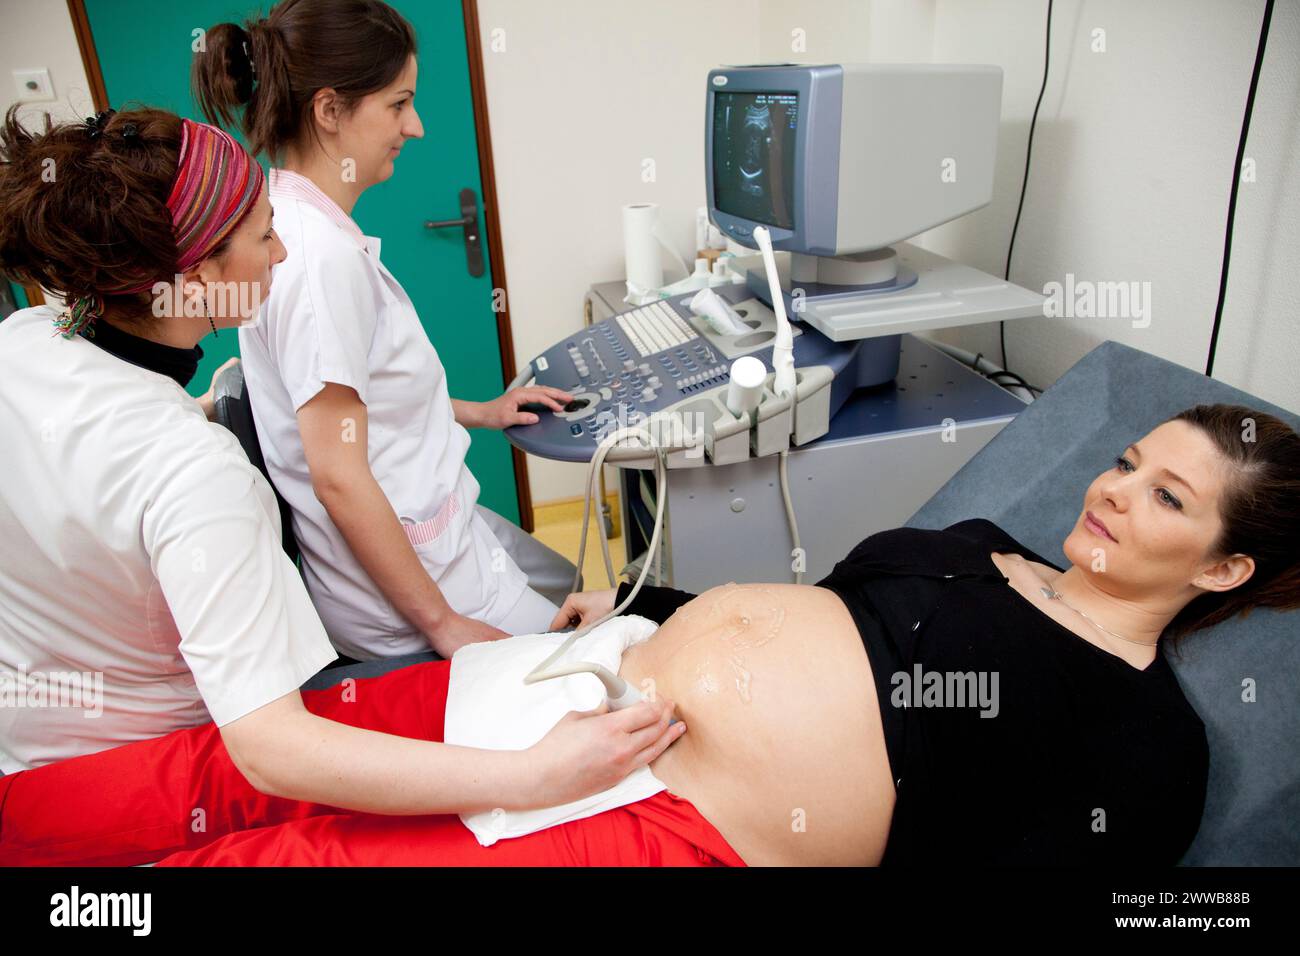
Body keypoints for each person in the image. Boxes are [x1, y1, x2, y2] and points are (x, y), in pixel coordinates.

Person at [5, 407, 1296, 866]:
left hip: (674, 819)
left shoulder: (1147, 743)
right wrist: (643, 611)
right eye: (1126, 462)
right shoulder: (981, 545)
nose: (1112, 491)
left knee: (296, 862)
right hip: (567, 682)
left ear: (1226, 566)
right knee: (223, 770)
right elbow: (820, 613)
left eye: (1165, 497)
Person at [0, 107, 681, 817]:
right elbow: (272, 749)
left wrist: (203, 410)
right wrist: (534, 776)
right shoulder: (195, 473)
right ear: (197, 278)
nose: (281, 254)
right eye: (264, 237)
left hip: (29, 756)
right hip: (147, 778)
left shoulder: (24, 338)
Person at [191, 0, 574, 663]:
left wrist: (482, 412)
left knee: (566, 584)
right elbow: (338, 474)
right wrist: (443, 624)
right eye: (399, 104)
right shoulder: (317, 260)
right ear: (330, 110)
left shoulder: (295, 222)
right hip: (418, 600)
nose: (415, 126)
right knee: (602, 650)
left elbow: (361, 407)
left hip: (434, 544)